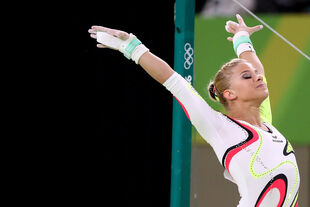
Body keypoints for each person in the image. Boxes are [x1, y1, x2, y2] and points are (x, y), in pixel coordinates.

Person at [89, 14, 300, 207]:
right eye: (247, 76)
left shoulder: (265, 122)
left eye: (255, 74)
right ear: (229, 94)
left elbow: (257, 67)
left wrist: (241, 37)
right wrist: (132, 47)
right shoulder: (220, 127)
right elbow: (175, 82)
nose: (258, 77)